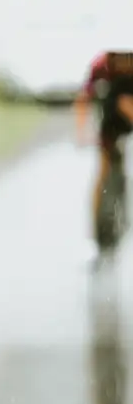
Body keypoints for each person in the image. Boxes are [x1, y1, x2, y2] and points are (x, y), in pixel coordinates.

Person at [74, 49, 133, 259]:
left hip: (126, 113)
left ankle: (123, 215)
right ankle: (96, 232)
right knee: (105, 169)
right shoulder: (102, 64)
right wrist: (82, 132)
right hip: (110, 122)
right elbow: (84, 98)